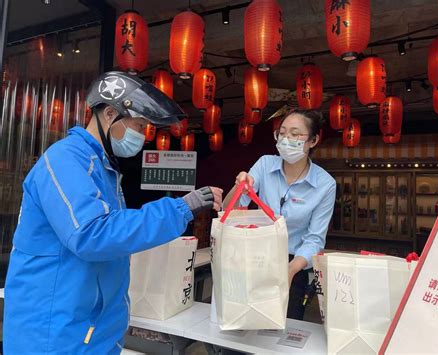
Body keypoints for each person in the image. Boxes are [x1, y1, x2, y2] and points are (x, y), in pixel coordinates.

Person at [3, 71, 223, 353]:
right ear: (109, 113)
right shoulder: (65, 159)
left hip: (91, 329)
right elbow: (93, 234)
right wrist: (181, 208)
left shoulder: (103, 168)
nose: (143, 136)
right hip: (53, 334)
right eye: (140, 125)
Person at [224, 109, 336, 321]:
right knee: (244, 321)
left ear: (313, 140)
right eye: (282, 133)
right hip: (254, 256)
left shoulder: (325, 184)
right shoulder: (265, 164)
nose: (287, 139)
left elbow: (315, 238)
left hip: (293, 264)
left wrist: (291, 270)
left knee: (284, 325)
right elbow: (231, 209)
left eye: (295, 134)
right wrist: (239, 186)